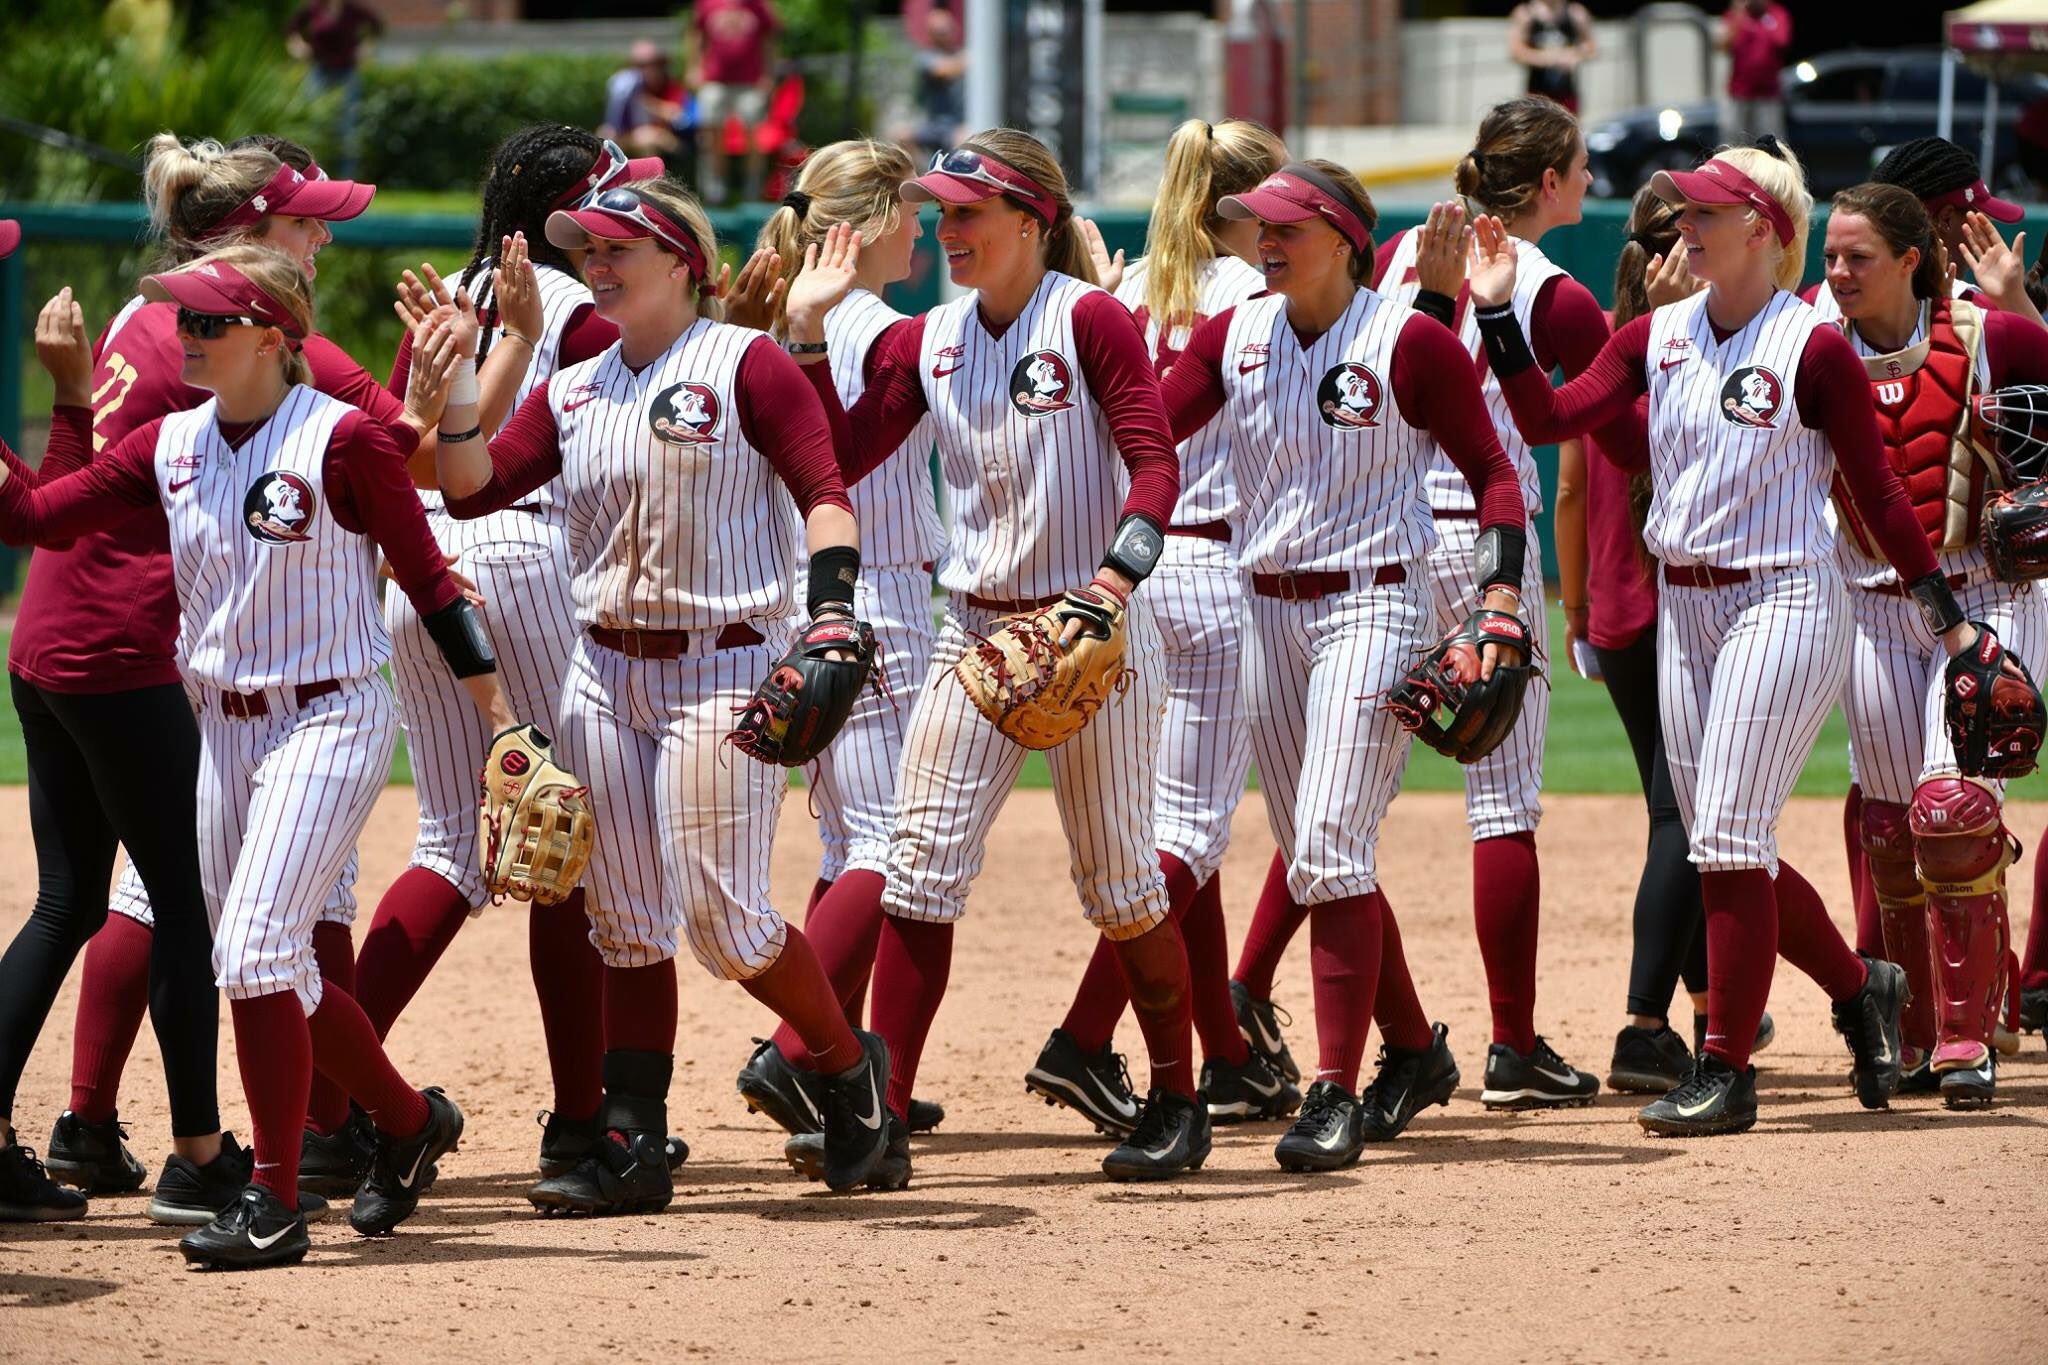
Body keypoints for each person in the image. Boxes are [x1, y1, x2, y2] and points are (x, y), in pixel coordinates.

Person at [0, 243, 515, 1268]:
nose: (185, 334)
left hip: (327, 719)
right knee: (281, 973)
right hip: (221, 730)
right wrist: (56, 404)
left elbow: (427, 579)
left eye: (208, 322)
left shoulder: (342, 441)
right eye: (182, 319)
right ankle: (409, 1127)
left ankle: (274, 1200)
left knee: (252, 955)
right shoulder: (169, 442)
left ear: (274, 337)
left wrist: (500, 722)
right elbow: (33, 518)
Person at [1469, 139, 1979, 1135]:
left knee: (1731, 837)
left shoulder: (1810, 344)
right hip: (1686, 608)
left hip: (1784, 599)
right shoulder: (1653, 336)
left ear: (1762, 232)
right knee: (1715, 843)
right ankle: (1858, 986)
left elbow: (1874, 489)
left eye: (1704, 214)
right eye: (1681, 213)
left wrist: (1944, 616)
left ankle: (1725, 1070)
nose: (1683, 228)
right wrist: (1495, 312)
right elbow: (1545, 411)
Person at [424, 175, 898, 1210]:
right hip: (601, 671)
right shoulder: (576, 385)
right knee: (626, 922)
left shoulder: (746, 364)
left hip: (719, 667)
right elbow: (468, 485)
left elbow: (825, 492)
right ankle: (633, 1142)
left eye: (615, 248)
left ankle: (842, 1069)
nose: (594, 265)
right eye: (584, 250)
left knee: (725, 924)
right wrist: (460, 383)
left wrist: (829, 612)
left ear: (684, 261)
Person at [778, 130, 1206, 1184]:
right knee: (917, 874)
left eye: (965, 213)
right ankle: (877, 1116)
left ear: (1031, 220)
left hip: (1088, 635)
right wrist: (797, 338)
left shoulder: (1089, 320)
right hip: (970, 636)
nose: (943, 230)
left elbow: (1155, 467)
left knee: (1119, 889)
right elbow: (834, 456)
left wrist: (1111, 584)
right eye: (939, 212)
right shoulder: (931, 338)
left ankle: (1176, 1098)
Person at [1138, 159, 1530, 1170]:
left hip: (1372, 603)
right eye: (1254, 228)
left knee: (1323, 844)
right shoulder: (1235, 336)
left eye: (1284, 228)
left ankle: (1329, 1091)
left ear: (1345, 240)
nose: (1264, 243)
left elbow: (1492, 474)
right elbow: (1147, 430)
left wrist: (1496, 595)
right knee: (1322, 854)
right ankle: (1410, 1052)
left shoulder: (1406, 339)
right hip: (1260, 608)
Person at [359, 126, 701, 1198]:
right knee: (572, 844)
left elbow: (402, 440)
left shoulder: (456, 290)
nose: (616, 229)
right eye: (606, 203)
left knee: (452, 844)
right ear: (565, 211)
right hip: (521, 553)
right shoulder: (569, 298)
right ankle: (581, 1122)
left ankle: (334, 1095)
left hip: (421, 567)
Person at [1022, 117, 1300, 1138]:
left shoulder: (1126, 293)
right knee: (1185, 833)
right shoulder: (1254, 292)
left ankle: (1222, 1051)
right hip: (1217, 565)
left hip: (1133, 570)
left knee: (1172, 821)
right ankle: (1085, 1036)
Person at [725, 139, 950, 1142]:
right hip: (879, 598)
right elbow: (843, 469)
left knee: (845, 838)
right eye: (912, 213)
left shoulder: (756, 323)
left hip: (790, 592)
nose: (926, 230)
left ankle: (827, 1053)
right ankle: (798, 1049)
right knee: (890, 846)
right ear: (860, 227)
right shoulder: (891, 335)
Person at [1823, 181, 2048, 1106]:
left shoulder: (1995, 336)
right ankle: (1914, 1031)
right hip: (1871, 598)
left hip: (1983, 592)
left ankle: (1968, 1037)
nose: (1836, 273)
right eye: (1828, 257)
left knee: (1953, 809)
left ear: (1911, 260)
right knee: (1887, 827)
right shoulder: (1808, 345)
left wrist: (2026, 303)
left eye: (1856, 257)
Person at [1554, 186, 1777, 1092]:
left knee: (1682, 811)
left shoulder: (1616, 337)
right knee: (1686, 817)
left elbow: (1569, 486)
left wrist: (1572, 608)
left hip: (1615, 605)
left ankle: (1704, 999)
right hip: (1676, 603)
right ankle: (1648, 1022)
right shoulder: (1670, 346)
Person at [691, 0, 781, 203]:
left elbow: (768, 40)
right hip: (714, 80)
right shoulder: (707, 3)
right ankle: (715, 191)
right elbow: (697, 35)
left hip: (750, 81)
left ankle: (752, 190)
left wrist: (769, 74)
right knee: (711, 134)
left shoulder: (758, 5)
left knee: (755, 136)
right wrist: (694, 67)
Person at [286, 0, 383, 177]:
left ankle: (347, 179)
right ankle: (314, 175)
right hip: (319, 72)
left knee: (347, 127)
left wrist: (366, 48)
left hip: (346, 73)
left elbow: (377, 27)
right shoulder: (314, 9)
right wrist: (298, 46)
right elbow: (292, 29)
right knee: (316, 125)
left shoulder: (353, 11)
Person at [600, 40, 692, 172]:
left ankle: (651, 188)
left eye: (655, 64)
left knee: (648, 139)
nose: (650, 69)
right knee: (602, 136)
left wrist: (644, 101)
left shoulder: (670, 86)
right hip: (629, 136)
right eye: (641, 65)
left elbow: (678, 117)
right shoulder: (625, 86)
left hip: (667, 139)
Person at [1719, 1, 1793, 143]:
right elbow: (1722, 46)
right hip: (1738, 92)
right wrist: (1738, 16)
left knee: (1770, 142)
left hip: (1768, 93)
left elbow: (1782, 41)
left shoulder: (1777, 13)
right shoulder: (1736, 14)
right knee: (1733, 141)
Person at [1508, 0, 1595, 114]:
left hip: (1567, 93)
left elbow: (1591, 47)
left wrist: (1574, 55)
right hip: (1536, 93)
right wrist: (1547, 58)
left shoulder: (1576, 12)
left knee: (1569, 130)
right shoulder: (1526, 12)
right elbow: (1515, 51)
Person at [909, 9, 967, 156]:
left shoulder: (962, 54)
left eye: (947, 30)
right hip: (934, 124)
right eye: (939, 32)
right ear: (930, 34)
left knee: (962, 140)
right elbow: (944, 69)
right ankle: (917, 175)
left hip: (959, 124)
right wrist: (970, 59)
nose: (945, 35)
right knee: (901, 136)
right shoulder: (925, 57)